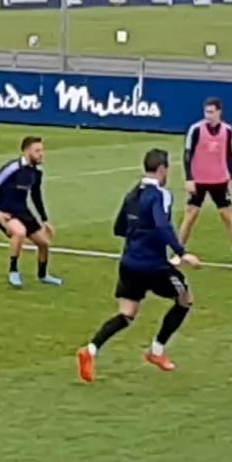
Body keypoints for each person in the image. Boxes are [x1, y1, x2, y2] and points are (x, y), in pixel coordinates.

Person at [77, 148, 201, 383]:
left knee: (126, 314)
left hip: (129, 263)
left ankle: (91, 349)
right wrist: (182, 253)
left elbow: (119, 228)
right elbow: (162, 225)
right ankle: (156, 351)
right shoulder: (160, 194)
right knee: (185, 299)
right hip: (154, 266)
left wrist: (139, 234)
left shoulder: (132, 194)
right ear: (162, 169)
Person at [0, 136, 62, 288]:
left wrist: (45, 220)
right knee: (19, 233)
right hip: (6, 212)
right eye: (37, 151)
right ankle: (13, 271)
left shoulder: (36, 173)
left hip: (22, 211)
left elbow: (36, 196)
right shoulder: (13, 168)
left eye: (42, 150)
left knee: (44, 243)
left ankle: (43, 275)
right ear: (27, 151)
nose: (41, 154)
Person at [179, 97, 232, 268]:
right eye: (206, 112)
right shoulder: (196, 130)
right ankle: (178, 252)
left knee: (228, 216)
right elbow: (187, 155)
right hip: (199, 180)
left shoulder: (227, 131)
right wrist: (189, 178)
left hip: (219, 180)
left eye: (211, 112)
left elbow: (229, 154)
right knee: (190, 216)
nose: (208, 115)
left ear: (219, 112)